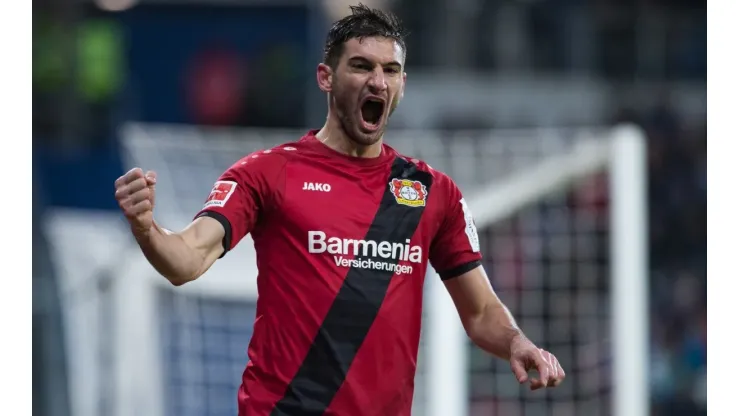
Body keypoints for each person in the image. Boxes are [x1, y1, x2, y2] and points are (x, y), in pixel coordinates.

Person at [114, 4, 565, 416]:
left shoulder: (431, 193)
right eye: (361, 66)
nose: (377, 81)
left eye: (390, 70)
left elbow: (481, 311)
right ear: (325, 77)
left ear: (401, 85)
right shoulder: (269, 174)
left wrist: (515, 342)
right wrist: (147, 229)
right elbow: (188, 260)